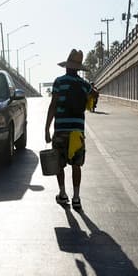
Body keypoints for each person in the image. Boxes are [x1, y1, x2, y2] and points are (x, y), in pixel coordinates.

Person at [45, 49, 98, 209]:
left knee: (59, 164)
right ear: (79, 69)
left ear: (67, 66)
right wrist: (91, 94)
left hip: (61, 130)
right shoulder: (84, 85)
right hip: (77, 132)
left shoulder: (59, 82)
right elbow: (95, 94)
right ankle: (76, 198)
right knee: (76, 164)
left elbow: (53, 105)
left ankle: (62, 194)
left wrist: (46, 128)